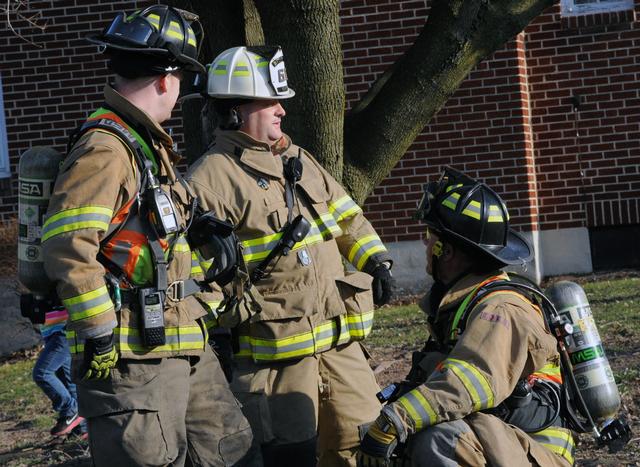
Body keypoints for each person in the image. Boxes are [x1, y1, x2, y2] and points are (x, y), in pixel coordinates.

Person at [41, 6, 252, 465]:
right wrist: (99, 328)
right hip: (132, 360)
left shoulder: (145, 147)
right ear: (166, 79)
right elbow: (67, 243)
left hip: (180, 344)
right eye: (182, 80)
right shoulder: (105, 148)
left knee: (231, 452)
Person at [187, 46, 396, 467]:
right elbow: (199, 282)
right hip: (275, 365)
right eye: (271, 101)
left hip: (342, 351)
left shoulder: (298, 159)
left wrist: (376, 261)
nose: (282, 110)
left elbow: (347, 219)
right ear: (235, 110)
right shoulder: (207, 181)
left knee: (366, 452)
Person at [357, 167, 575, 466]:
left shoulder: (501, 309)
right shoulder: (464, 302)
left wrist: (394, 421)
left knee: (440, 438)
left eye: (428, 236)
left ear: (446, 251)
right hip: (504, 438)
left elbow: (467, 382)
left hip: (537, 454)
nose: (424, 244)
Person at [32, 306, 87, 439]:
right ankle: (81, 430)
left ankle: (70, 409)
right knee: (68, 381)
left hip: (64, 330)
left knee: (42, 373)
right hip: (53, 331)